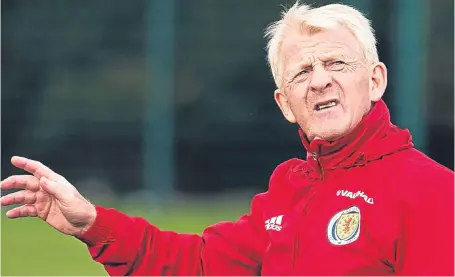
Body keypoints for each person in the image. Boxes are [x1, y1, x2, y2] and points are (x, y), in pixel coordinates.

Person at [1, 2, 453, 276]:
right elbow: (200, 265)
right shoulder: (290, 188)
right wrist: (91, 223)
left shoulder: (433, 193)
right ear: (284, 103)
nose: (319, 82)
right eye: (301, 72)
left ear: (375, 80)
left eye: (336, 64)